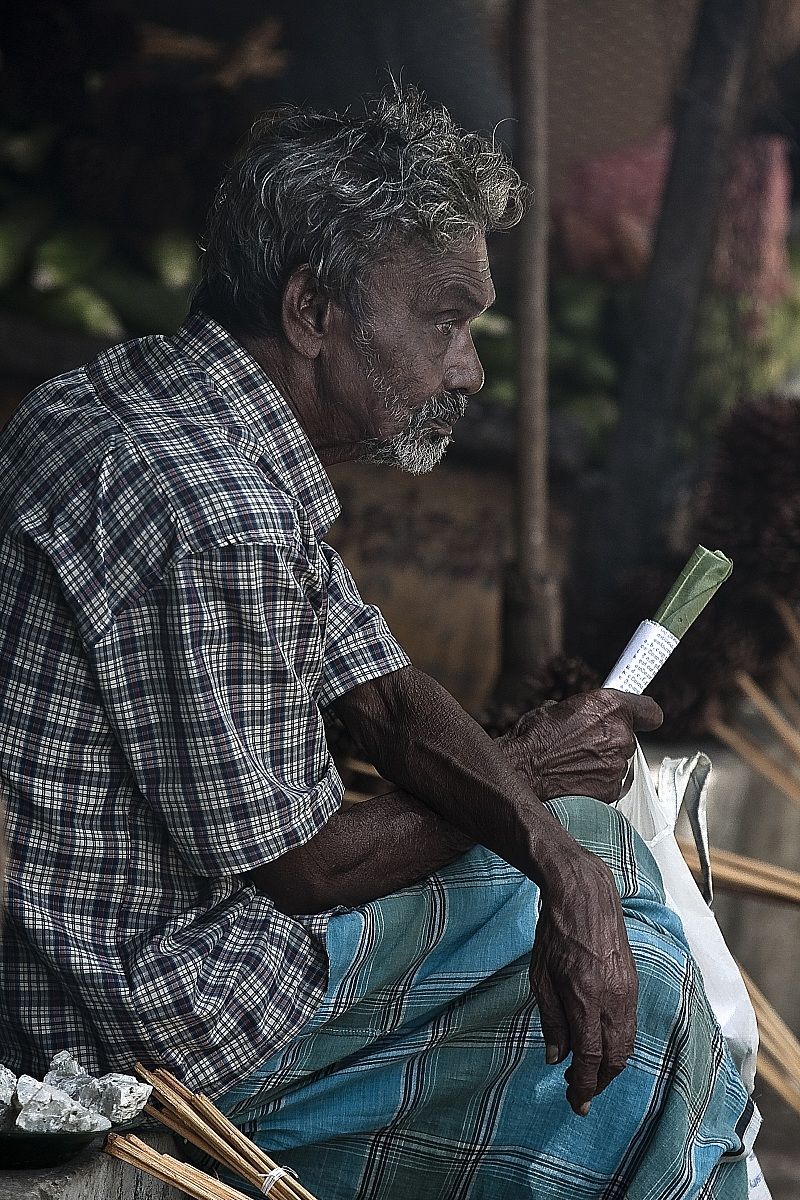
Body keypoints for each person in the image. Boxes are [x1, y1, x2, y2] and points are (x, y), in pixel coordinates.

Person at [0, 88, 758, 1198]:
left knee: (594, 849)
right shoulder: (218, 510)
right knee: (644, 994)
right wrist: (537, 781)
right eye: (443, 322)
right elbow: (306, 870)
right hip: (155, 1013)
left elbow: (385, 694)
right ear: (312, 308)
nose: (468, 373)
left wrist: (557, 852)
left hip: (116, 955)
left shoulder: (133, 397)